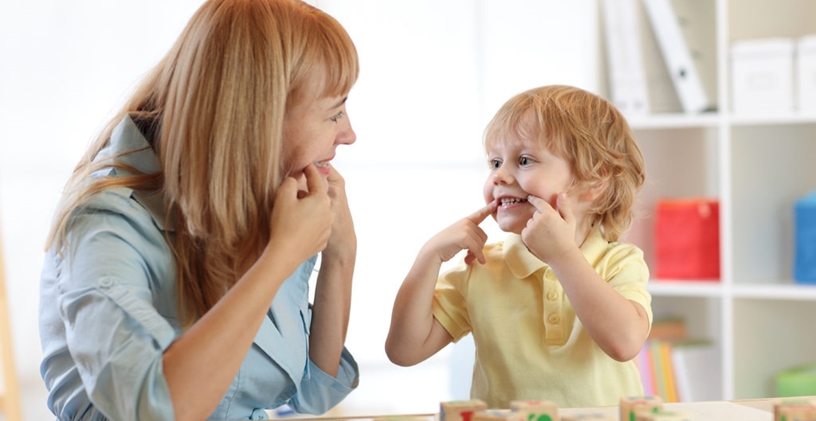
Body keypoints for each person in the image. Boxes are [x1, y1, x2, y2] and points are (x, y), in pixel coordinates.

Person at [38, 0, 360, 420]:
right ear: (257, 118)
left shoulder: (251, 201)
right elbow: (156, 410)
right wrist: (279, 257)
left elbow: (314, 390)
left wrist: (339, 254)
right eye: (333, 113)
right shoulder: (104, 224)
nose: (350, 134)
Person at [385, 85, 651, 408]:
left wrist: (562, 255)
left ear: (594, 180)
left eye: (524, 160)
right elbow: (403, 350)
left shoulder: (620, 262)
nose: (499, 176)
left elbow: (624, 342)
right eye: (495, 162)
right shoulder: (482, 267)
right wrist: (429, 256)